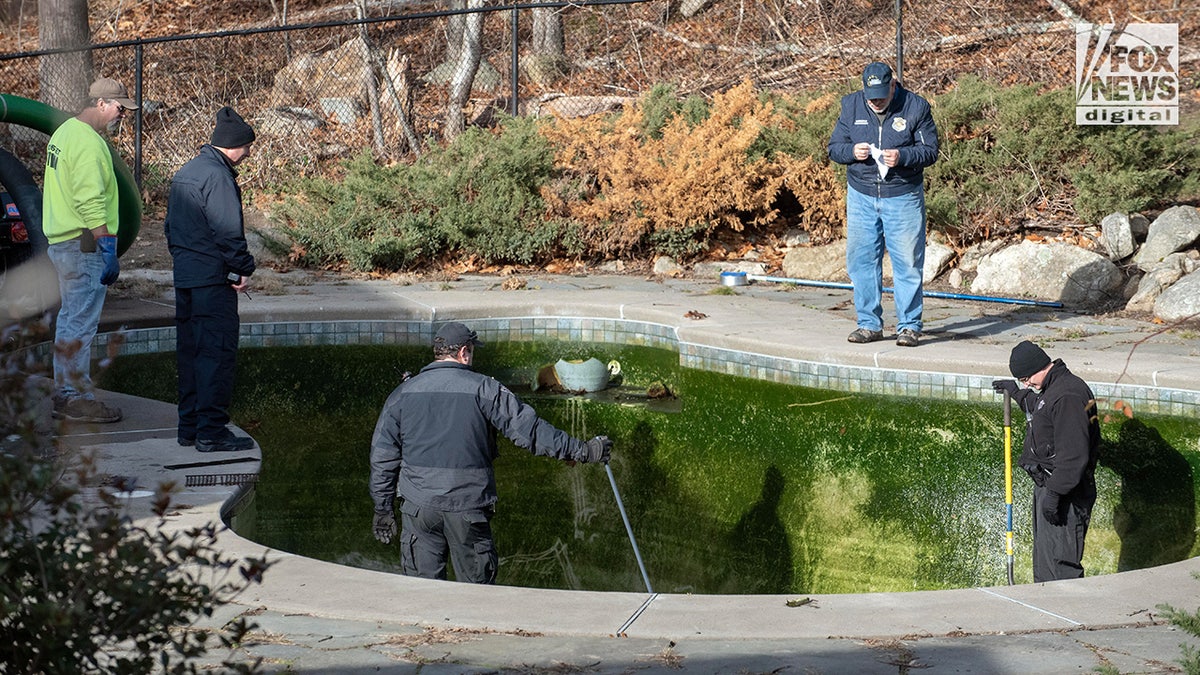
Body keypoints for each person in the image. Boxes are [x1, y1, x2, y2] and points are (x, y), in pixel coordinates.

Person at [368, 322, 614, 584]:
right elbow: (530, 432)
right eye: (472, 352)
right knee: (476, 597)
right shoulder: (485, 389)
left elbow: (383, 457)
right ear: (464, 352)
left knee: (421, 593)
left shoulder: (402, 394)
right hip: (468, 510)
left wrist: (383, 509)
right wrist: (583, 450)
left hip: (419, 510)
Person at [42, 77, 139, 423]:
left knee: (70, 320)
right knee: (81, 323)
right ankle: (75, 399)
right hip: (83, 245)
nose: (121, 116)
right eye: (118, 108)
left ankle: (65, 393)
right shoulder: (87, 143)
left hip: (63, 243)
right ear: (100, 104)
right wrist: (107, 244)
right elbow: (89, 198)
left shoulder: (65, 131)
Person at [164, 107, 257, 452]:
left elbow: (170, 229)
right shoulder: (218, 177)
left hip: (186, 280)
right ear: (234, 145)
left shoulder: (186, 172)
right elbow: (228, 232)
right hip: (212, 283)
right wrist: (242, 268)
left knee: (190, 355)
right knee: (215, 355)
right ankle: (211, 432)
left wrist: (187, 265)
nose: (248, 153)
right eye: (247, 147)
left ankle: (188, 428)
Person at [828, 61, 939, 348]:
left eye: (881, 94)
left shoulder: (916, 107)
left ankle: (909, 327)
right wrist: (852, 151)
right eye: (871, 96)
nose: (876, 101)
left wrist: (902, 157)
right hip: (861, 195)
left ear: (893, 85)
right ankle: (868, 324)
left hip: (902, 195)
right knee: (861, 262)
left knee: (907, 263)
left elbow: (930, 151)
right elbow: (834, 148)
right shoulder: (851, 106)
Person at [992, 341, 1100, 582]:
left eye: (1025, 378)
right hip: (1051, 486)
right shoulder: (1053, 390)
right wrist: (1017, 393)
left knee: (1062, 564)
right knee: (1045, 561)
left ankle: (1069, 614)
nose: (1025, 383)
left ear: (1039, 367)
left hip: (1066, 493)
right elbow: (1039, 409)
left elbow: (1074, 456)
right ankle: (1047, 612)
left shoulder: (1068, 395)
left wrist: (1054, 494)